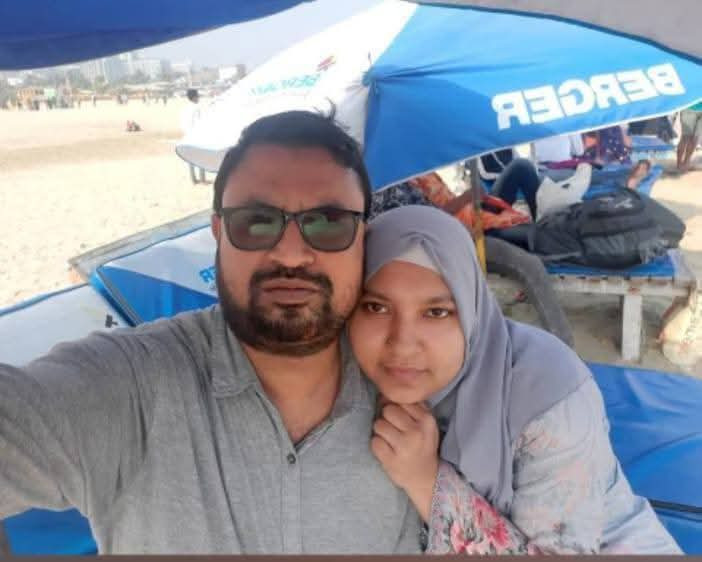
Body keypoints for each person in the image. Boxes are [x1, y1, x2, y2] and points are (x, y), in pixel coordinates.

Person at [0, 111, 423, 554]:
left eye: (328, 223)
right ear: (218, 232)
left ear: (362, 237)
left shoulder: (416, 386)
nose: (292, 254)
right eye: (256, 221)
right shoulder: (130, 388)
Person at [348, 205, 681, 554]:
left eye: (436, 312)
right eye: (376, 307)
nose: (402, 344)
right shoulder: (350, 376)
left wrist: (426, 481)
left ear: (472, 312)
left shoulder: (549, 398)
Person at [181, 88, 207, 184]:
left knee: (190, 157)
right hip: (196, 135)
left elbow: (183, 123)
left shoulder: (185, 108)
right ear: (194, 97)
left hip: (187, 135)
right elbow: (199, 122)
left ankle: (193, 179)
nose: (199, 98)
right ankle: (202, 179)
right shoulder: (197, 108)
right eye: (198, 96)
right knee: (201, 157)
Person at [676, 102, 702, 171]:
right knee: (685, 137)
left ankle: (686, 162)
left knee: (695, 138)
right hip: (689, 107)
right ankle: (679, 164)